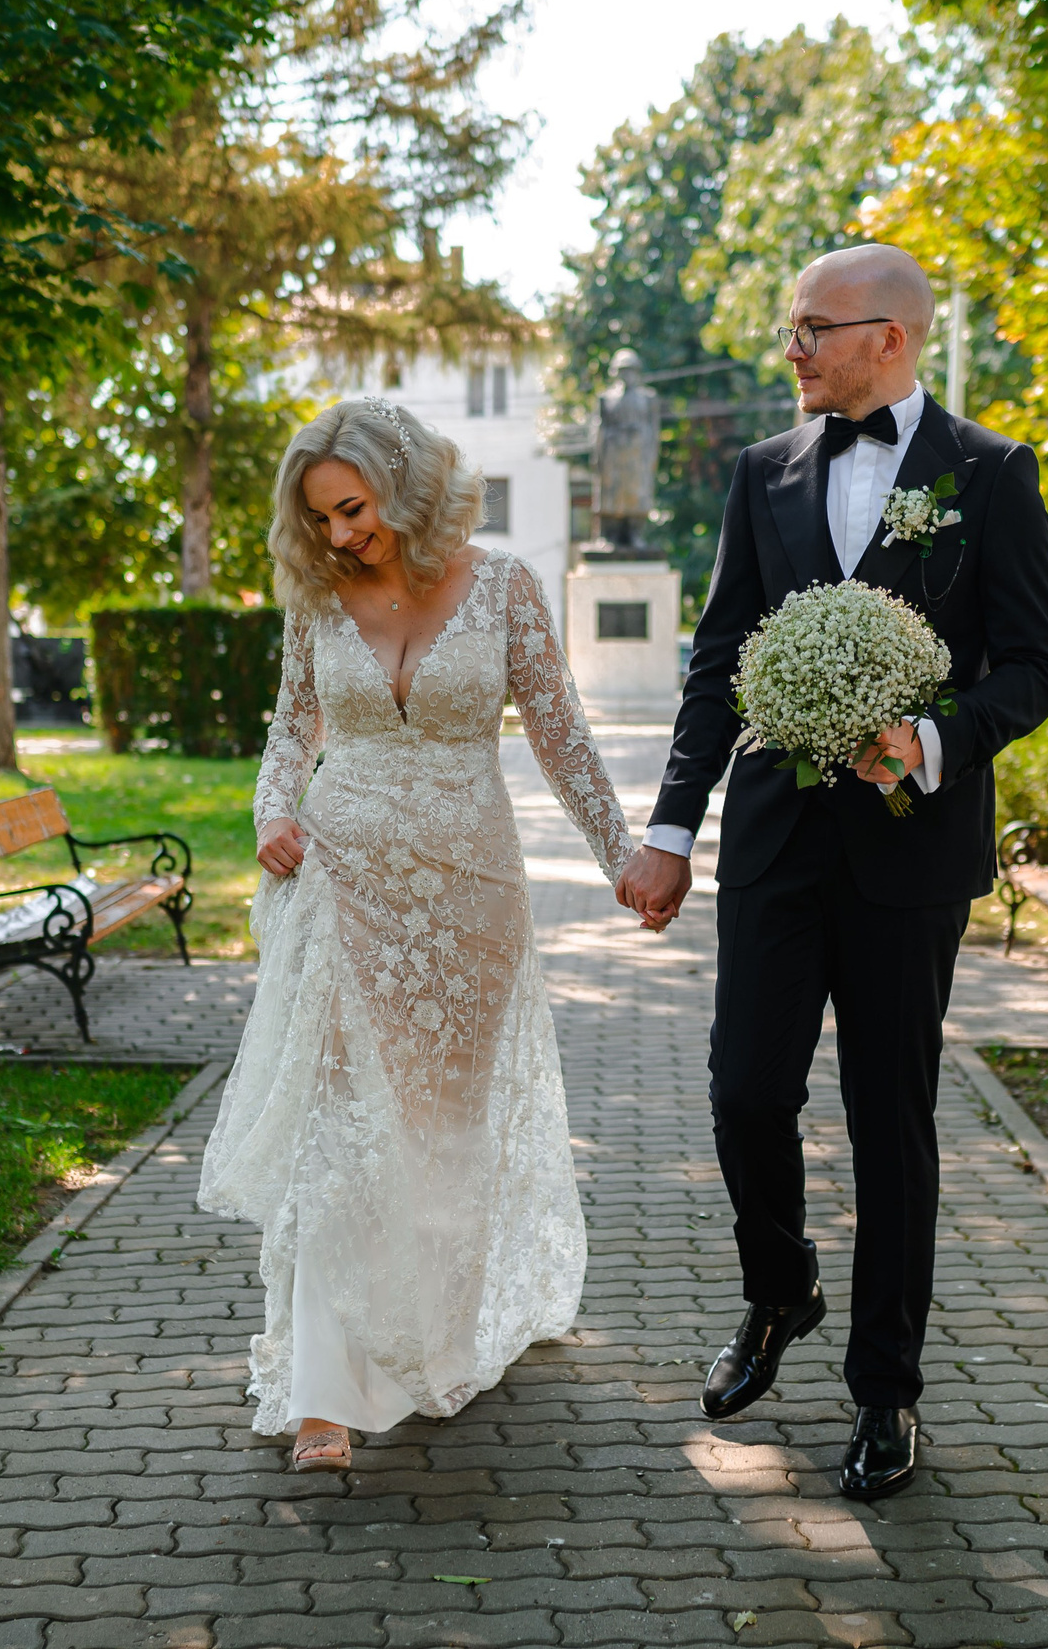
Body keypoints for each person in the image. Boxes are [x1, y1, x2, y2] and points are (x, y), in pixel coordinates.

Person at [614, 244, 1048, 1500]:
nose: (795, 348)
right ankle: (780, 1290)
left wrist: (930, 737)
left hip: (909, 851)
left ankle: (886, 1390)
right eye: (793, 327)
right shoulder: (761, 474)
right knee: (744, 1092)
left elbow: (1033, 665)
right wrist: (669, 826)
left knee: (890, 1122)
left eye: (816, 328)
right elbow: (717, 659)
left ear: (894, 338)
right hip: (772, 840)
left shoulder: (991, 474)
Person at [198, 397, 637, 1473]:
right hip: (344, 890)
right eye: (322, 519)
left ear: (406, 485)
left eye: (353, 509)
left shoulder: (502, 587)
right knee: (338, 1125)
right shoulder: (317, 600)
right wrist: (273, 814)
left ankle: (426, 1336)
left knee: (439, 1131)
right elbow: (288, 732)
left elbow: (562, 735)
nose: (341, 535)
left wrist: (623, 856)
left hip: (470, 896)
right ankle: (324, 1393)